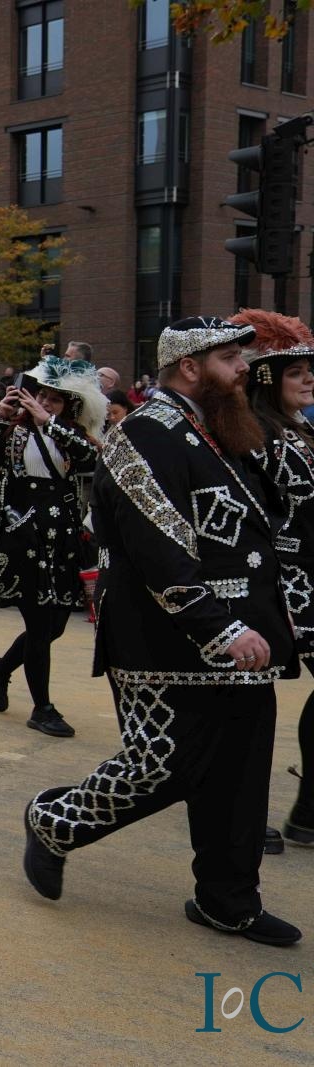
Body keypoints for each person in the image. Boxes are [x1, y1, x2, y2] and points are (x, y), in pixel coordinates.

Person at [24, 317, 301, 946]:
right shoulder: (144, 433)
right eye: (229, 359)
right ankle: (55, 820)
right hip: (163, 642)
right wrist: (219, 627)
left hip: (242, 639)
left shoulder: (221, 429)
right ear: (189, 367)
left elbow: (261, 527)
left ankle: (227, 902)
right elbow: (160, 549)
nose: (243, 370)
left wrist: (275, 608)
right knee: (161, 766)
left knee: (239, 778)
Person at [0, 358, 102, 737]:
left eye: (54, 400)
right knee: (40, 624)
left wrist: (51, 423)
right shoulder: (13, 431)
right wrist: (1, 417)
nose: (44, 403)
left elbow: (91, 459)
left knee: (54, 626)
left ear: (68, 405)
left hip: (61, 538)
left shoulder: (70, 433)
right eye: (41, 396)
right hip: (24, 538)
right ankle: (42, 707)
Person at [232, 308, 314, 851]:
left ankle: (305, 811)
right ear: (267, 377)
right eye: (296, 372)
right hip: (285, 582)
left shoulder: (302, 427)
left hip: (309, 573)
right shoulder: (257, 433)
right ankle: (245, 812)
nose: (308, 380)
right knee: (248, 702)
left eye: (310, 371)